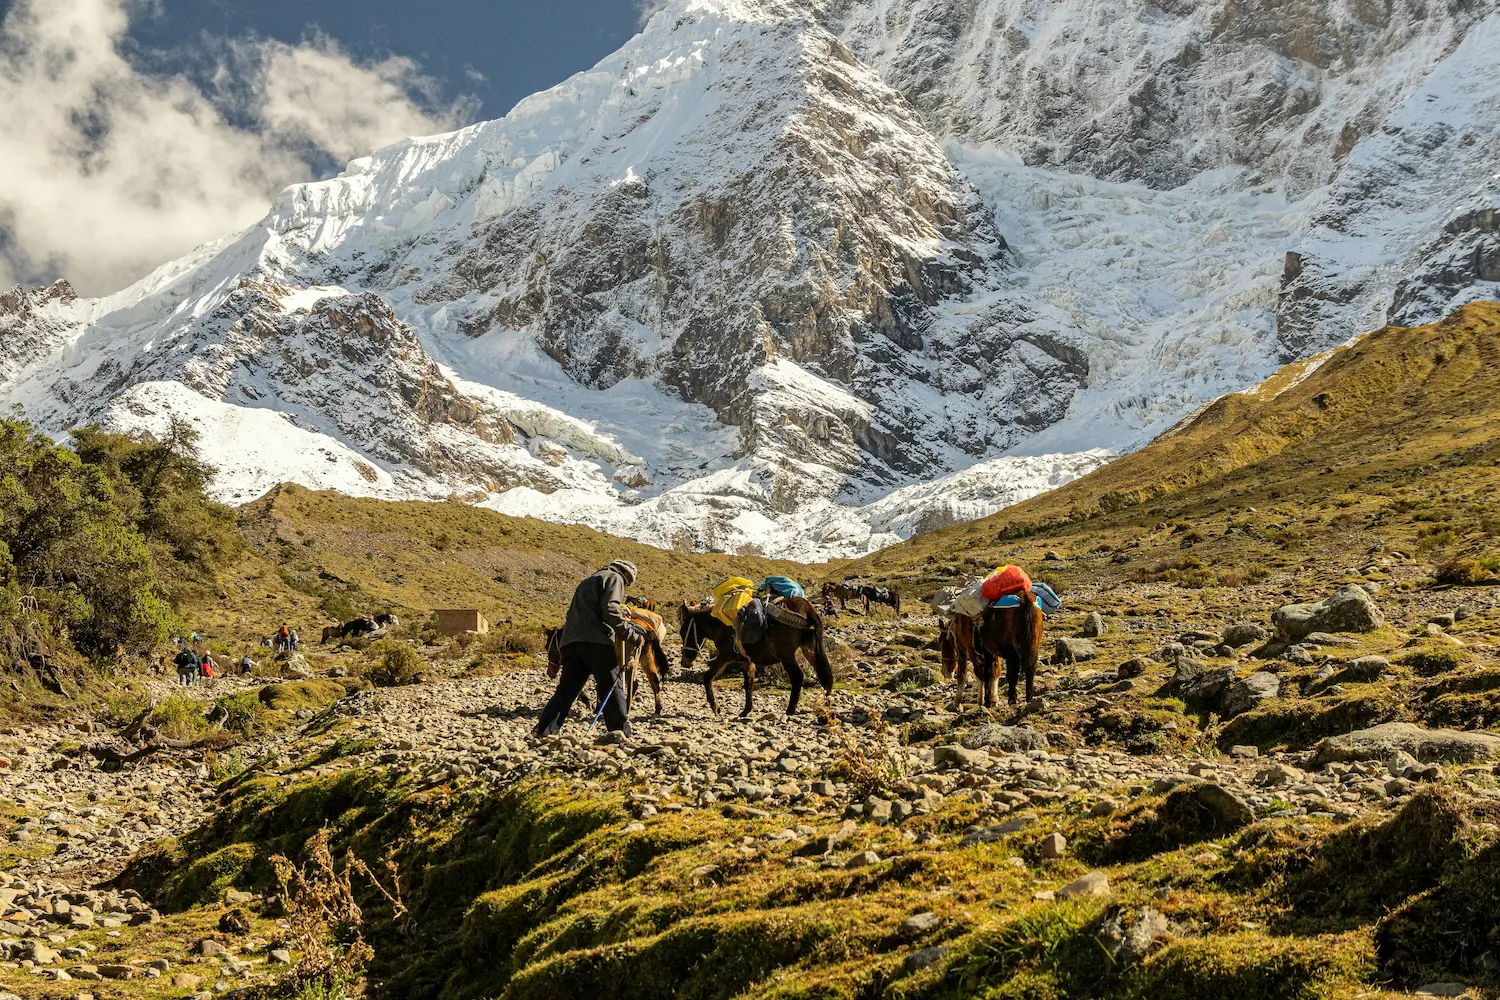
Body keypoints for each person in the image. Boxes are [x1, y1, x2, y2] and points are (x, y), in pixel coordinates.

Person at [534, 559, 640, 739]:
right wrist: (632, 634)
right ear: (627, 575)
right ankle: (620, 731)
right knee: (611, 686)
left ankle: (544, 729)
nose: (626, 586)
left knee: (567, 690)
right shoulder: (614, 578)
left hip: (570, 643)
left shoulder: (588, 581)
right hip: (596, 641)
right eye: (627, 583)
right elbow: (610, 610)